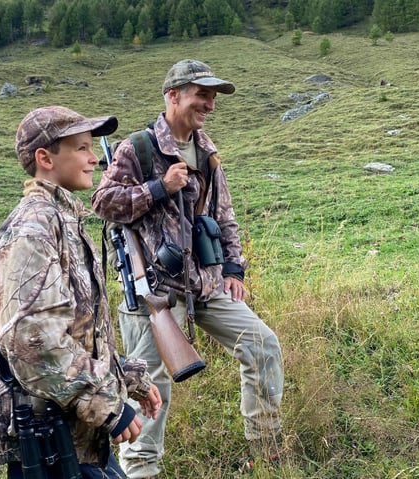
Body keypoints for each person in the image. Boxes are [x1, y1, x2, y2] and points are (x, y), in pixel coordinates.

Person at [91, 60, 284, 477]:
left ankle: (266, 451)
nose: (210, 104)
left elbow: (224, 215)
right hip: (154, 289)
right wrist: (159, 188)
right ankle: (140, 470)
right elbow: (102, 202)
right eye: (202, 95)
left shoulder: (208, 151)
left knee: (262, 345)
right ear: (173, 95)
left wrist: (234, 269)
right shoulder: (139, 148)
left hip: (207, 285)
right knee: (148, 383)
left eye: (213, 97)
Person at [0, 106, 161, 479]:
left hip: (68, 426)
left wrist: (128, 377)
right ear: (45, 158)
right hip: (46, 436)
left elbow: (72, 333)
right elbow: (32, 339)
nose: (94, 157)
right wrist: (105, 403)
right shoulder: (34, 227)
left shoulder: (62, 219)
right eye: (81, 148)